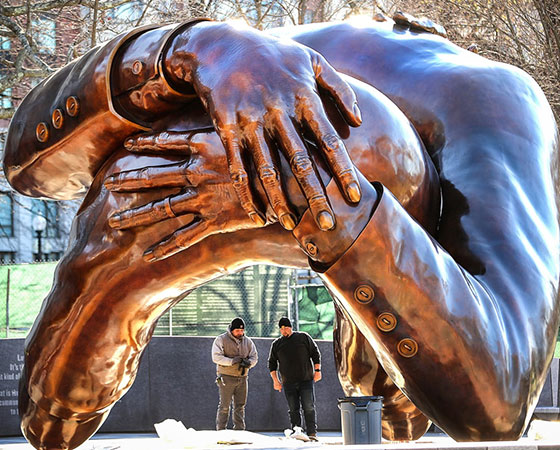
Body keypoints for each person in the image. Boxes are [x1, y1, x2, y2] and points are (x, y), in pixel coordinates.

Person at [3, 14, 558, 450]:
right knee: (391, 404)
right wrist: (194, 48)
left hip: (396, 171)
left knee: (395, 405)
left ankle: (112, 279)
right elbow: (24, 163)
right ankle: (112, 279)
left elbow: (499, 402)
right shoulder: (254, 62)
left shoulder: (490, 104)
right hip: (259, 109)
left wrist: (306, 193)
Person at [268, 317, 322, 441]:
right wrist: (276, 381)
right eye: (281, 329)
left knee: (308, 407)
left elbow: (315, 353)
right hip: (288, 382)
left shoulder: (303, 337)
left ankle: (312, 433)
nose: (284, 331)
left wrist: (317, 371)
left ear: (290, 327)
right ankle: (297, 432)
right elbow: (272, 363)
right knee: (293, 409)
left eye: (286, 328)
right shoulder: (277, 344)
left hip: (306, 379)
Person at [211, 317, 258, 431]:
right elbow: (216, 357)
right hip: (226, 377)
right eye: (237, 331)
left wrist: (248, 363)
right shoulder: (221, 339)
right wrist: (232, 361)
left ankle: (240, 430)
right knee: (224, 406)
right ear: (231, 330)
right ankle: (221, 430)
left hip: (242, 378)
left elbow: (254, 357)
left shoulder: (248, 341)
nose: (240, 333)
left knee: (240, 406)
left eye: (242, 331)